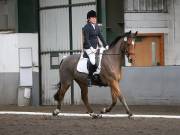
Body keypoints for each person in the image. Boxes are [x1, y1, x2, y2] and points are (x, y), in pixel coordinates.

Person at [82, 10, 109, 86]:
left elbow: (101, 36)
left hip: (96, 47)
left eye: (95, 18)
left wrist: (106, 45)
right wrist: (91, 48)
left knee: (101, 57)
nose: (94, 19)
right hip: (88, 47)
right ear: (89, 19)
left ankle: (98, 75)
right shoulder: (86, 27)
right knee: (93, 61)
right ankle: (89, 78)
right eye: (92, 18)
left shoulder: (96, 26)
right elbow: (86, 39)